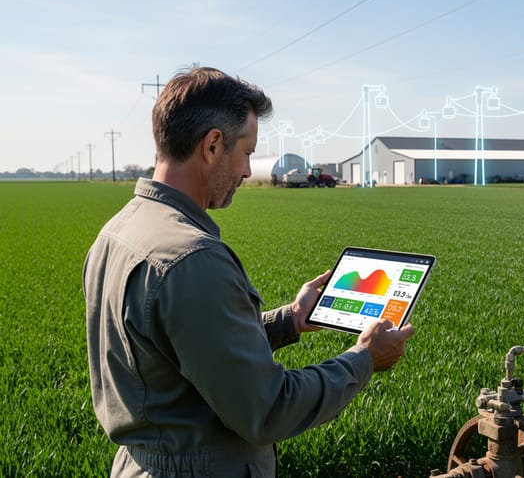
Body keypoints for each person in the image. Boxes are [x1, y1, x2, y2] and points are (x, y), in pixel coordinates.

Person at [83, 66, 414, 477]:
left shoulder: (118, 232)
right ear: (213, 145)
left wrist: (291, 320)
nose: (245, 171)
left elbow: (194, 349)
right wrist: (364, 359)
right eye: (247, 153)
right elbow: (267, 410)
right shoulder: (192, 258)